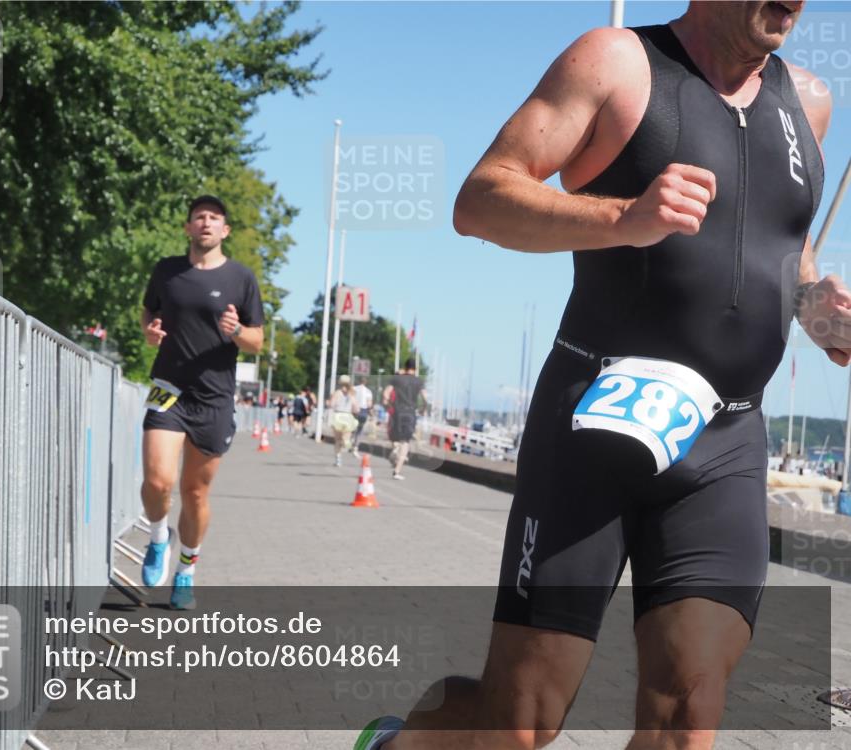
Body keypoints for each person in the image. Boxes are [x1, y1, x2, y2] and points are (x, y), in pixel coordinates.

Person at [361, 3, 846, 749]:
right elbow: (481, 198)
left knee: (688, 720)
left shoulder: (808, 102)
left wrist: (821, 315)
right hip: (593, 424)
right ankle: (403, 742)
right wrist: (622, 218)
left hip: (725, 443)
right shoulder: (617, 63)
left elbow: (783, 252)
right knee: (519, 725)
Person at [138, 195, 264, 610]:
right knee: (157, 481)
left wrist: (236, 332)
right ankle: (159, 538)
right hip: (168, 387)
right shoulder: (167, 271)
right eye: (198, 218)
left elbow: (257, 342)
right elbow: (148, 314)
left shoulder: (241, 279)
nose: (206, 223)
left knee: (194, 493)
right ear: (188, 228)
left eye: (214, 218)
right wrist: (150, 333)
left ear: (225, 230)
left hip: (214, 398)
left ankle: (187, 570)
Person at [382, 358, 427, 481]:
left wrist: (388, 404)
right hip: (410, 413)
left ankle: (394, 452)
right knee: (405, 441)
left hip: (396, 412)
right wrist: (424, 408)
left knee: (395, 437)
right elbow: (425, 398)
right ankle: (397, 471)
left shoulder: (396, 379)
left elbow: (386, 394)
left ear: (405, 367)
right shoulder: (418, 381)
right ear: (415, 369)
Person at [328, 374, 359, 467]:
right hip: (348, 416)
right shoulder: (352, 394)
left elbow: (332, 405)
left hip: (338, 416)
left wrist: (330, 402)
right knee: (346, 438)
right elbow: (356, 409)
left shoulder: (337, 393)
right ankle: (351, 447)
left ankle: (338, 459)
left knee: (337, 440)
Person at [352, 375, 374, 457]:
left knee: (352, 426)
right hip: (363, 411)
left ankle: (350, 439)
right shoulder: (368, 391)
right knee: (360, 430)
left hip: (354, 410)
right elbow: (369, 404)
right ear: (366, 382)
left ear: (358, 381)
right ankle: (355, 447)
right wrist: (371, 413)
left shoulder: (354, 389)